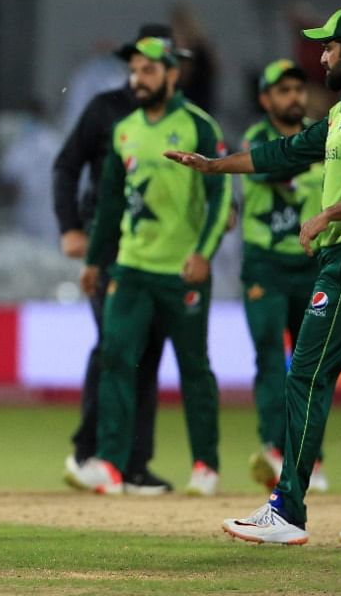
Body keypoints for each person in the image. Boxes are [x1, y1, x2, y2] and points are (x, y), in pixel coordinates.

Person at [169, 6, 341, 546]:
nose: (321, 55)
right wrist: (215, 166)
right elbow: (286, 152)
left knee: (303, 374)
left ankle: (288, 510)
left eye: (328, 46)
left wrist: (332, 213)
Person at [69, 35, 228, 496]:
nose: (138, 79)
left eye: (148, 70)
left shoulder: (199, 126)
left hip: (183, 271)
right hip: (132, 269)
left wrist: (204, 253)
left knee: (194, 368)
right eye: (134, 70)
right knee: (117, 361)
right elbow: (110, 206)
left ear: (172, 74)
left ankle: (206, 465)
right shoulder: (124, 131)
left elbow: (220, 198)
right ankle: (113, 465)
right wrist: (96, 262)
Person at [52, 24, 187, 495]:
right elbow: (67, 165)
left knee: (147, 351)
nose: (142, 74)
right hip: (108, 245)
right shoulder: (106, 109)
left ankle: (133, 464)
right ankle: (90, 451)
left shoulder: (185, 119)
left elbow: (203, 175)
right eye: (138, 65)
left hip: (160, 251)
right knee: (115, 342)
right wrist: (72, 228)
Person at [238, 59, 328, 494]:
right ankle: (275, 448)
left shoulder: (323, 133)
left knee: (313, 367)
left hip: (314, 265)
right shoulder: (256, 140)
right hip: (266, 266)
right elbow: (272, 168)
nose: (294, 96)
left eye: (298, 88)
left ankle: (312, 457)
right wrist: (310, 150)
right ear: (265, 99)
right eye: (283, 90)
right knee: (270, 357)